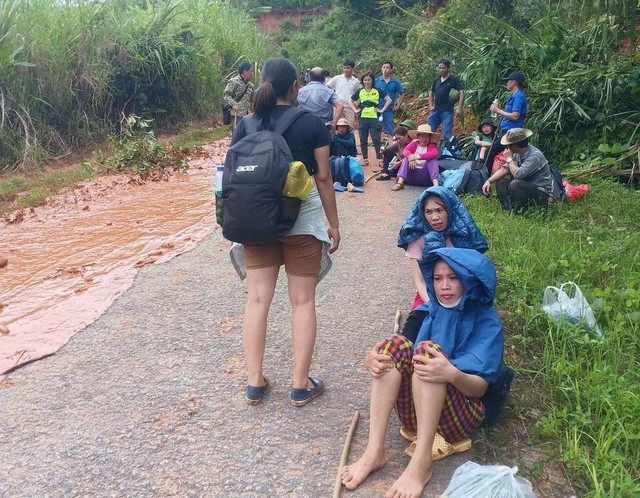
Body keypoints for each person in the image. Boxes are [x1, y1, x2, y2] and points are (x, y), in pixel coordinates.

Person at [341, 248, 505, 498]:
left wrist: (452, 374)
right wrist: (373, 359)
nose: (444, 286)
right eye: (438, 279)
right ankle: (374, 452)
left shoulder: (486, 321)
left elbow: (480, 388)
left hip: (462, 414)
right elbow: (399, 351)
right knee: (392, 346)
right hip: (420, 414)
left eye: (453, 277)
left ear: (468, 280)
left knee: (429, 354)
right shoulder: (430, 311)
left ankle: (420, 465)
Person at [230, 58, 341, 407]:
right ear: (296, 86)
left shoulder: (246, 124)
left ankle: (254, 381)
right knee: (302, 301)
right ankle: (299, 384)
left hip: (256, 218)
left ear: (262, 84)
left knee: (257, 299)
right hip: (301, 220)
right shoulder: (310, 124)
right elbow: (323, 177)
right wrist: (334, 224)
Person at [396, 186, 488, 341]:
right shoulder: (418, 239)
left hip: (462, 294)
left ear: (450, 210)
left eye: (439, 210)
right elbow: (419, 282)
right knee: (418, 323)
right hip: (429, 295)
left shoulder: (464, 236)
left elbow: (475, 277)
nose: (434, 217)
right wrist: (434, 306)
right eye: (428, 212)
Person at [482, 128, 552, 212]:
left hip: (540, 192)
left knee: (516, 183)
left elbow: (519, 175)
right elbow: (504, 169)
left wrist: (509, 158)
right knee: (500, 182)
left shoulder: (535, 156)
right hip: (526, 187)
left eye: (508, 145)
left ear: (514, 146)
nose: (506, 148)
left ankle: (521, 211)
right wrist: (489, 181)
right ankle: (508, 210)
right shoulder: (517, 154)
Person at [484, 70, 529, 171]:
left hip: (512, 132)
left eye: (508, 81)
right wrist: (501, 109)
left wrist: (498, 110)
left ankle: (485, 178)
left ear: (514, 82)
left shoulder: (519, 96)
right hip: (507, 130)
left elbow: (515, 116)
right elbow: (511, 114)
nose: (506, 83)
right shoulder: (513, 96)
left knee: (491, 152)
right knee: (503, 154)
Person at [350, 71, 392, 167]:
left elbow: (389, 100)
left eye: (369, 80)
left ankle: (380, 159)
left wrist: (381, 110)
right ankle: (365, 159)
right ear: (363, 81)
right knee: (363, 139)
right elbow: (350, 100)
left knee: (376, 139)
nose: (367, 82)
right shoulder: (360, 91)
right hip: (363, 117)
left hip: (374, 117)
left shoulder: (377, 90)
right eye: (365, 80)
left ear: (372, 81)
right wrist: (355, 110)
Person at [391, 124, 440, 191]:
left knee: (432, 160)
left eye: (427, 137)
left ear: (430, 138)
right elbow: (406, 151)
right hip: (412, 176)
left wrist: (417, 157)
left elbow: (435, 153)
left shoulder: (432, 146)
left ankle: (436, 186)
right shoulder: (414, 144)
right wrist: (410, 157)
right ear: (418, 137)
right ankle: (400, 183)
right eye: (422, 136)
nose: (424, 139)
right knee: (406, 159)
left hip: (425, 177)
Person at [297, 67, 344, 132]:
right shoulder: (329, 92)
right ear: (324, 78)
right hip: (324, 126)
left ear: (310, 78)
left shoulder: (300, 92)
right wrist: (334, 124)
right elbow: (340, 106)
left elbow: (292, 105)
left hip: (304, 125)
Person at [428, 59, 465, 141]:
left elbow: (462, 92)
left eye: (443, 68)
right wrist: (431, 105)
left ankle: (445, 151)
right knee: (428, 132)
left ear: (448, 68)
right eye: (439, 68)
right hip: (436, 110)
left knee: (446, 135)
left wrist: (459, 108)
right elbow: (431, 92)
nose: (441, 70)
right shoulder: (436, 80)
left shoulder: (453, 80)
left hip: (447, 111)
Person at [326, 60, 362, 130]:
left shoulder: (356, 81)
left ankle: (350, 140)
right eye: (344, 68)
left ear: (352, 69)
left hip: (349, 107)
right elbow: (327, 86)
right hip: (338, 106)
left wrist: (357, 103)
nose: (346, 70)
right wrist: (331, 98)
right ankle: (336, 140)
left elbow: (360, 93)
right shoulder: (337, 78)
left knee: (350, 126)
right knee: (337, 126)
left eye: (348, 68)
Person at [375, 61, 405, 142]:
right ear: (381, 69)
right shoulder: (376, 81)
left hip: (389, 109)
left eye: (387, 68)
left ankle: (390, 150)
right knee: (377, 130)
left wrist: (398, 105)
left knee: (390, 131)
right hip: (377, 108)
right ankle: (378, 149)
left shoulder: (395, 82)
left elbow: (402, 93)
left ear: (391, 69)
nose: (385, 70)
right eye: (384, 67)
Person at [223, 62, 255, 130]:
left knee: (248, 136)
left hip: (249, 115)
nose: (252, 74)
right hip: (237, 114)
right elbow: (226, 95)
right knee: (237, 135)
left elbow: (252, 101)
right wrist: (234, 104)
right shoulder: (234, 82)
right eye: (251, 71)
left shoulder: (251, 86)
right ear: (245, 72)